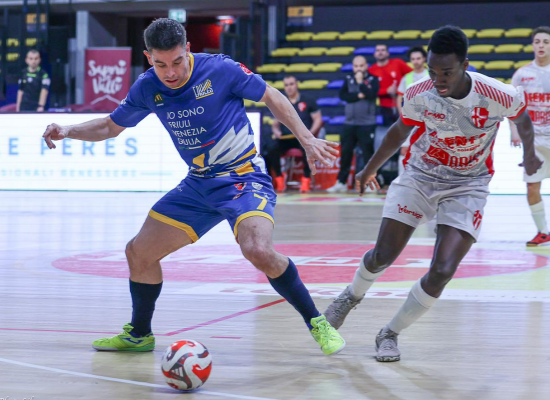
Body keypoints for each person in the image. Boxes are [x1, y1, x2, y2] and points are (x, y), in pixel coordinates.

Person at [42, 18, 345, 355]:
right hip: (199, 183)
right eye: (160, 64)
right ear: (148, 57)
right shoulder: (147, 87)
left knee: (257, 250)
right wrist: (68, 130)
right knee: (138, 253)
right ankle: (139, 335)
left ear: (187, 49)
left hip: (243, 177)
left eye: (176, 61)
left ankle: (318, 322)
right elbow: (110, 126)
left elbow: (270, 95)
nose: (170, 73)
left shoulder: (220, 69)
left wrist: (306, 138)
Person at [324, 26, 541, 362]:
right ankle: (350, 296)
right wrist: (369, 169)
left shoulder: (497, 94)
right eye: (432, 71)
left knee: (442, 271)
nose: (439, 80)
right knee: (383, 254)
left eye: (447, 73)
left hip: (469, 184)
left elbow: (523, 121)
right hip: (420, 176)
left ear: (465, 65)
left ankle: (389, 333)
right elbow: (399, 132)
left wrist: (529, 153)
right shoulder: (419, 93)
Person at [510, 26, 550, 246]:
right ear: (533, 45)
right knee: (532, 186)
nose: (541, 45)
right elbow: (512, 105)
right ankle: (543, 232)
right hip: (534, 141)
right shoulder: (522, 75)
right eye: (537, 42)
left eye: (546, 42)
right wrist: (514, 131)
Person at [327, 55, 379, 193]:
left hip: (366, 123)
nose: (358, 69)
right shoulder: (348, 78)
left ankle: (370, 183)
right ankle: (341, 182)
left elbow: (372, 94)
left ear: (366, 66)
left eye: (361, 66)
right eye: (356, 66)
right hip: (349, 123)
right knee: (345, 153)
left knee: (368, 154)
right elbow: (343, 96)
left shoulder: (373, 79)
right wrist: (358, 95)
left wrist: (361, 83)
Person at [266, 75, 323, 193]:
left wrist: (310, 134)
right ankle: (279, 179)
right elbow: (275, 124)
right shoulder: (281, 101)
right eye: (286, 85)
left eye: (291, 84)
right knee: (271, 147)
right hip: (286, 138)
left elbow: (318, 119)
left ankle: (306, 179)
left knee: (307, 147)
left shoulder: (308, 100)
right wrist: (276, 131)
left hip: (302, 138)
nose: (289, 87)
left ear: (296, 84)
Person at [369, 44, 412, 190]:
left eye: (383, 50)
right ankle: (384, 177)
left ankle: (403, 177)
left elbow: (411, 77)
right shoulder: (372, 70)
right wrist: (385, 91)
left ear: (387, 53)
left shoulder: (398, 63)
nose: (380, 53)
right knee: (386, 142)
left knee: (404, 141)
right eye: (378, 50)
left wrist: (400, 89)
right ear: (375, 54)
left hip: (402, 108)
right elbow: (371, 90)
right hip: (384, 110)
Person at [397, 46, 429, 175]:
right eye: (413, 59)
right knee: (404, 150)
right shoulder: (407, 78)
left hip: (427, 120)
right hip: (409, 120)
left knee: (427, 151)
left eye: (418, 58)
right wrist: (403, 114)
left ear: (424, 59)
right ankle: (402, 179)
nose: (416, 61)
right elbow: (399, 98)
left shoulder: (430, 75)